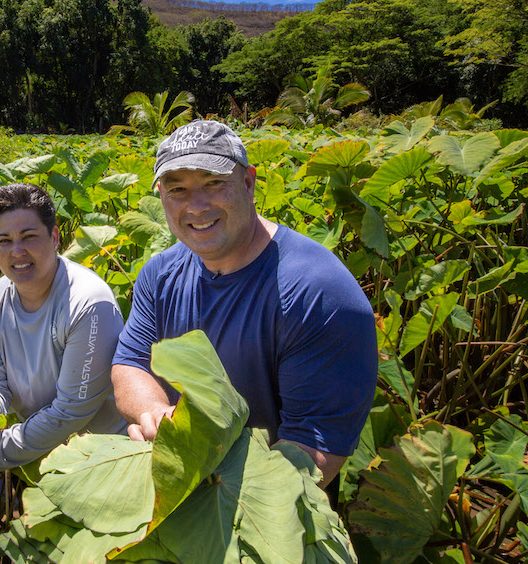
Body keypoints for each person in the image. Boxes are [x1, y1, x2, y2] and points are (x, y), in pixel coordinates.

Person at [111, 120, 377, 487]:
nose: (196, 206)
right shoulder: (159, 273)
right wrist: (155, 413)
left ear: (249, 182)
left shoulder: (317, 292)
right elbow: (130, 363)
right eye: (177, 189)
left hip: (268, 509)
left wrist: (214, 489)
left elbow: (313, 453)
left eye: (213, 183)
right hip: (181, 483)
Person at [0, 183, 127, 479]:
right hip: (42, 450)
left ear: (54, 237)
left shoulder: (88, 303)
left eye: (28, 237)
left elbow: (69, 413)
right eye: (4, 240)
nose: (17, 251)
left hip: (105, 458)